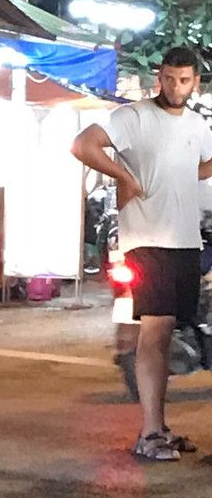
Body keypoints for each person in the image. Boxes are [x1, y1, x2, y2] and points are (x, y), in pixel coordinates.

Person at [71, 46, 212, 461]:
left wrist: (179, 176)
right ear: (159, 78)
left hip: (187, 240)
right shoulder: (132, 117)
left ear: (195, 83)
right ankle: (149, 433)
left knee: (167, 335)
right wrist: (125, 176)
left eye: (183, 79)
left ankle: (161, 427)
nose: (175, 86)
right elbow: (84, 145)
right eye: (169, 78)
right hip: (148, 240)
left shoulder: (197, 124)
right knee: (155, 332)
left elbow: (203, 164)